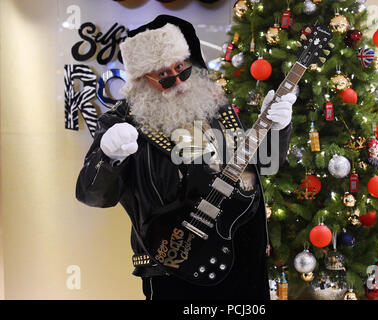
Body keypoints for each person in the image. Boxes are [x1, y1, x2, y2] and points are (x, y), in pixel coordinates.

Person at [76, 15, 296, 300]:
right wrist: (108, 156)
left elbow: (259, 170)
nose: (179, 82)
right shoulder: (122, 123)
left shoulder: (217, 109)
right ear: (142, 81)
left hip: (243, 262)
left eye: (183, 69)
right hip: (177, 267)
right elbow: (93, 195)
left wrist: (277, 129)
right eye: (165, 76)